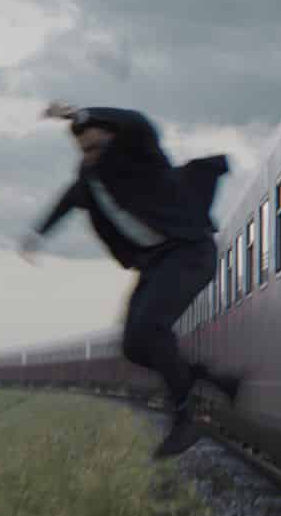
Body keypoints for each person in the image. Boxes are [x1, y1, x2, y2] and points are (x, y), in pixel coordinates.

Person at [18, 101, 242, 459]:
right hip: (156, 262)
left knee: (152, 327)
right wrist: (37, 234)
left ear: (112, 135)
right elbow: (67, 201)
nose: (92, 155)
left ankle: (186, 417)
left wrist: (79, 113)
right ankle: (206, 379)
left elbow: (138, 122)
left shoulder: (139, 151)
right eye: (85, 150)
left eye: (98, 146)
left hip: (190, 251)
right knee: (133, 345)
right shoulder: (89, 180)